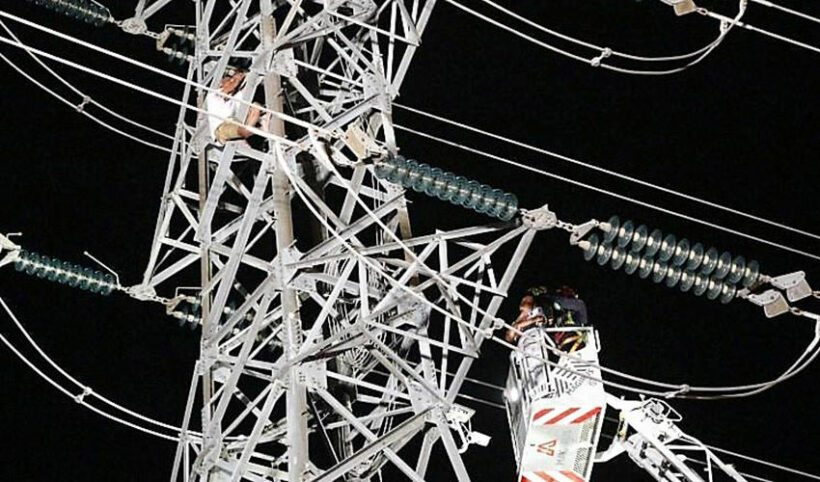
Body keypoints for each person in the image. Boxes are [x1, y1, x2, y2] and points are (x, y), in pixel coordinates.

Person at [505, 285, 588, 352]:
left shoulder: (576, 306)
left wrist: (548, 296)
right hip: (533, 349)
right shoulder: (528, 312)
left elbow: (569, 304)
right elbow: (509, 336)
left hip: (572, 344)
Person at [205, 67, 264, 144]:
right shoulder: (213, 95)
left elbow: (248, 87)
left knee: (256, 106)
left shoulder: (236, 97)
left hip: (236, 121)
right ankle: (258, 130)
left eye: (231, 80)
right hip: (221, 128)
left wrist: (251, 75)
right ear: (221, 85)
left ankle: (258, 129)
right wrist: (237, 78)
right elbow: (229, 87)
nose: (231, 81)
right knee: (244, 131)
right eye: (228, 81)